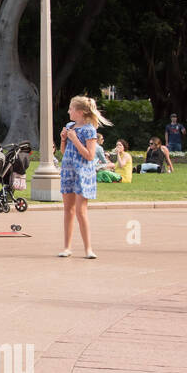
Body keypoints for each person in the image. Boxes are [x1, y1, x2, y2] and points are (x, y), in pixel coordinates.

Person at [59, 95, 110, 259]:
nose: (68, 111)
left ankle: (88, 248)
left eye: (71, 108)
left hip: (82, 172)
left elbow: (90, 155)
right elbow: (63, 152)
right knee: (68, 209)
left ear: (80, 112)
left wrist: (74, 139)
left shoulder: (89, 130)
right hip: (68, 170)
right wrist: (63, 140)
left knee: (81, 211)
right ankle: (67, 247)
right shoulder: (69, 126)